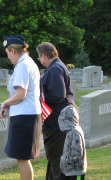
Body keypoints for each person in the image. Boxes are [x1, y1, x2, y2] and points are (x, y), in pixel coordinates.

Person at [0, 35, 42, 180]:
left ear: (12, 50)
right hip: (27, 115)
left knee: (22, 159)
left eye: (7, 53)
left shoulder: (23, 65)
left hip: (25, 117)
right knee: (22, 158)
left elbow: (20, 94)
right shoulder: (27, 63)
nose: (8, 57)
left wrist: (5, 103)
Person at [36, 42, 77, 180]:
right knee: (55, 161)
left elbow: (58, 95)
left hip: (57, 124)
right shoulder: (58, 66)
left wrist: (39, 96)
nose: (40, 61)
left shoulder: (55, 69)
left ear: (43, 56)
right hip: (61, 121)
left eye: (39, 58)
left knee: (57, 163)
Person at [58, 105, 87, 180]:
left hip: (75, 170)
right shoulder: (72, 130)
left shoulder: (74, 132)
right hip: (70, 170)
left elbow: (77, 153)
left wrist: (66, 161)